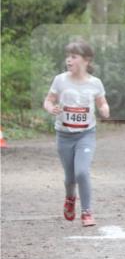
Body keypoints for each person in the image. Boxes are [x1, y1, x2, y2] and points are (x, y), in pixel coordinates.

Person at [43, 39, 111, 227]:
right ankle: (70, 197)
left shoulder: (95, 83)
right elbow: (48, 100)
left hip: (86, 135)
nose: (69, 60)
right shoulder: (60, 80)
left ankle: (87, 212)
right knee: (70, 177)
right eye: (68, 57)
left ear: (86, 60)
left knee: (82, 172)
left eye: (74, 57)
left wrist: (105, 109)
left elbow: (102, 103)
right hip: (64, 135)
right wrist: (51, 108)